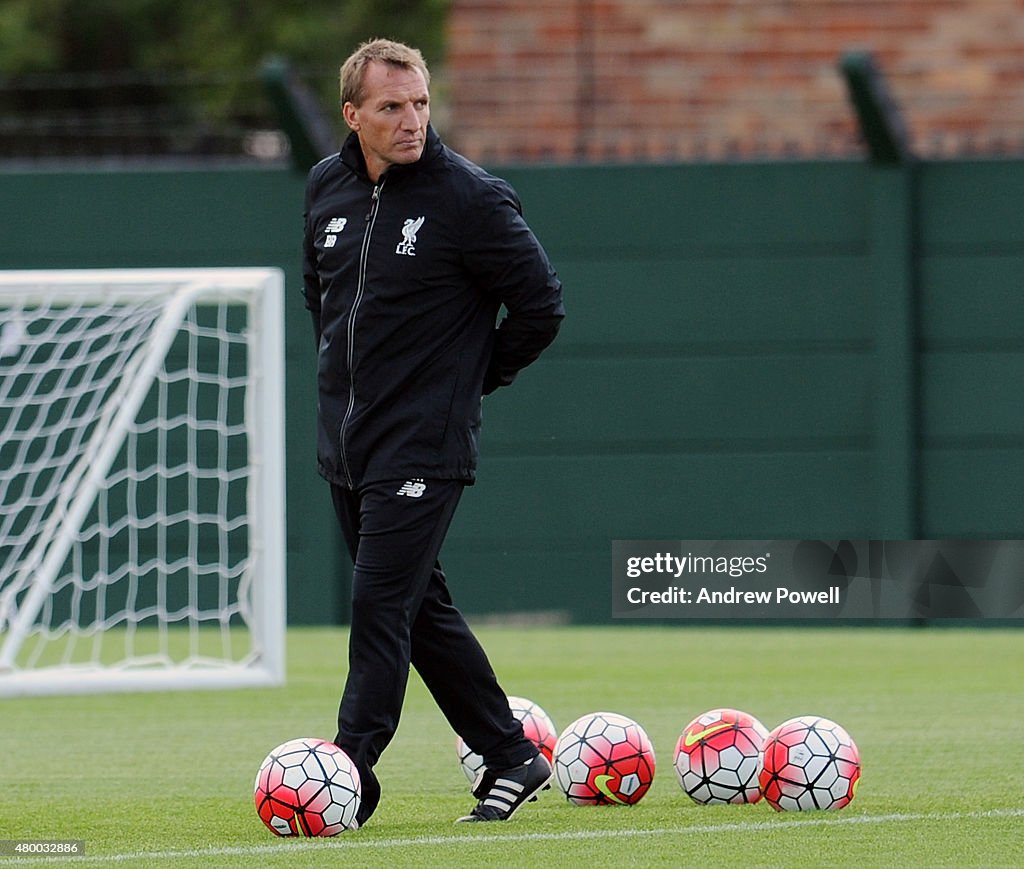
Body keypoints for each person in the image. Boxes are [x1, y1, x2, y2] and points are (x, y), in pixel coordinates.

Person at [301, 38, 565, 827]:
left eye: (419, 103)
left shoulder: (469, 198)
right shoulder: (323, 189)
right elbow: (322, 300)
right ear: (354, 115)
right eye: (391, 107)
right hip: (349, 443)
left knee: (380, 602)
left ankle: (348, 771)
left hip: (425, 444)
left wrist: (467, 382)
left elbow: (542, 306)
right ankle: (511, 751)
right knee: (419, 610)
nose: (411, 120)